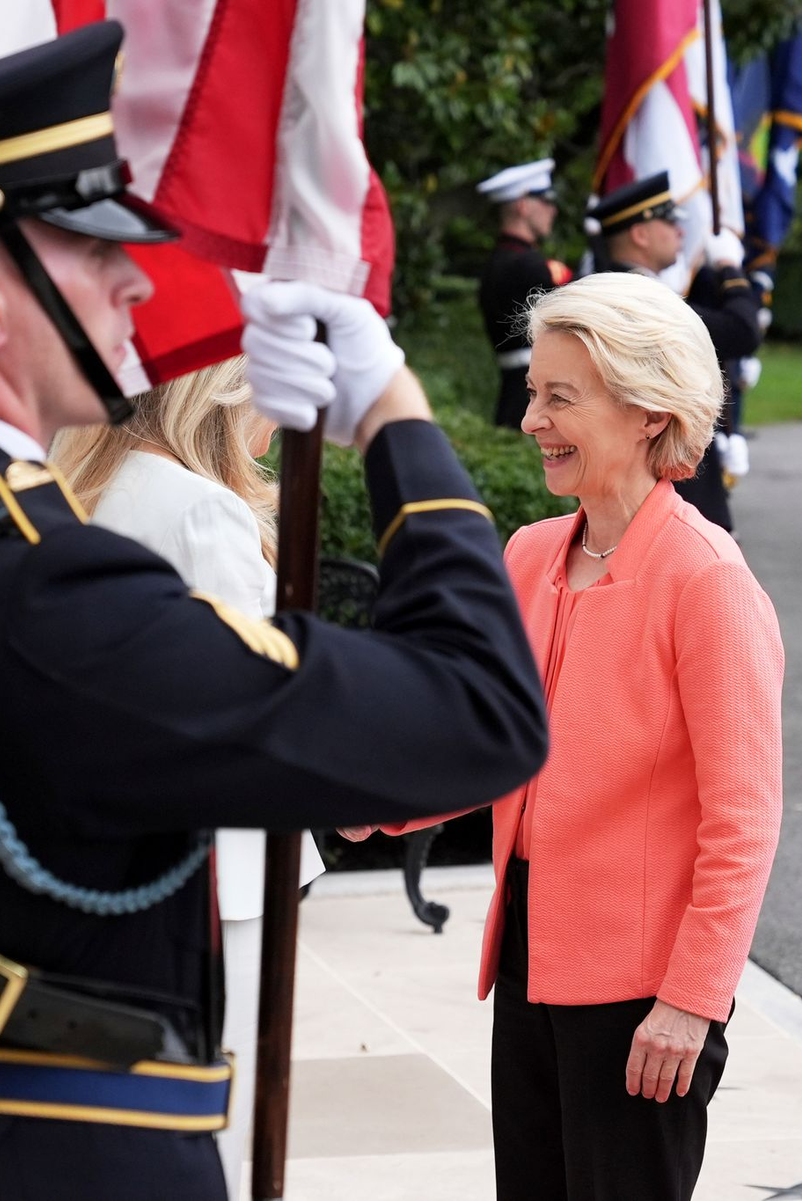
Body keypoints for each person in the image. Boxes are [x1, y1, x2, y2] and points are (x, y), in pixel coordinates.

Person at [0, 22, 547, 1200]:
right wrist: (396, 418)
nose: (138, 280)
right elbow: (481, 713)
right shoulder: (40, 593)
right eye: (93, 250)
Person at [348, 270, 782, 1201]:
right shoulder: (531, 553)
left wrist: (693, 1000)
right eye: (535, 392)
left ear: (649, 412)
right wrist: (363, 805)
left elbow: (743, 822)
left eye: (559, 397)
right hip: (530, 957)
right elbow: (492, 749)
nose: (530, 418)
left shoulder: (708, 581)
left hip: (643, 996)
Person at [53, 357, 325, 1197]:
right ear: (223, 392)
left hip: (106, 860)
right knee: (215, 1125)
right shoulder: (198, 509)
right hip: (213, 868)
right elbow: (265, 705)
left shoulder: (87, 484)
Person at [592, 171, 761, 531]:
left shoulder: (612, 290)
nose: (681, 232)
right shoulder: (642, 300)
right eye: (670, 223)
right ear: (640, 234)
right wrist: (730, 268)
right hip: (671, 481)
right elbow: (743, 331)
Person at [477, 158, 570, 430]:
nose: (552, 210)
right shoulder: (526, 266)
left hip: (516, 395)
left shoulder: (501, 260)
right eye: (545, 201)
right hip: (535, 398)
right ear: (522, 205)